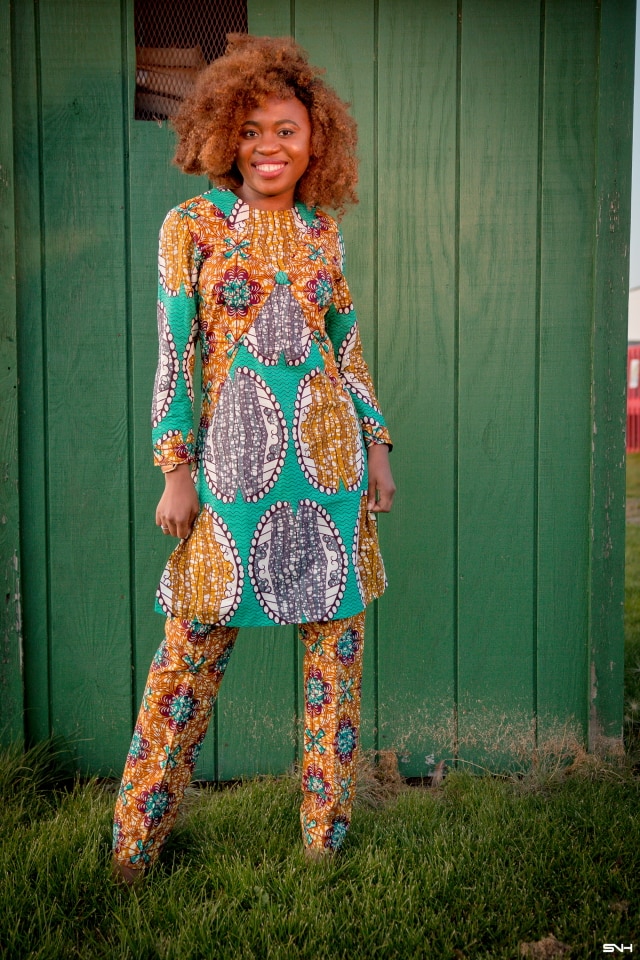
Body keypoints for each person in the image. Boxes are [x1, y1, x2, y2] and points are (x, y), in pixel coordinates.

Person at [112, 34, 395, 884]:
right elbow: (175, 348)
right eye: (251, 131)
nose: (269, 147)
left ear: (317, 142)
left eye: (287, 130)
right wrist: (175, 466)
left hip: (332, 471)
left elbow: (347, 351)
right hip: (228, 477)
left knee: (332, 665)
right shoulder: (191, 226)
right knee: (188, 659)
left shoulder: (321, 235)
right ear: (221, 135)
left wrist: (379, 445)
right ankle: (134, 847)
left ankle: (325, 846)